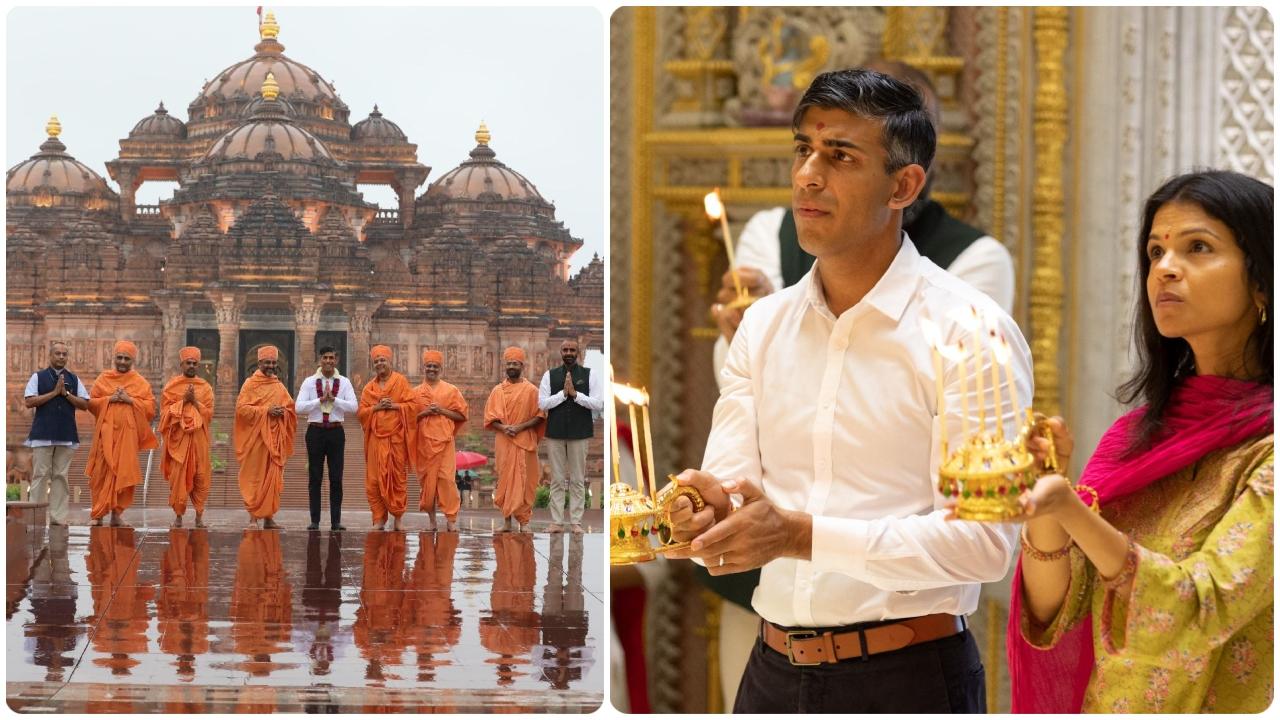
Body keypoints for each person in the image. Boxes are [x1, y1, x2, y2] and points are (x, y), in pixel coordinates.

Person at [666, 69, 1033, 713]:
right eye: (803, 150)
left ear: (903, 184)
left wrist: (800, 536)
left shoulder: (971, 333)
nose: (809, 174)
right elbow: (729, 494)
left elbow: (985, 545)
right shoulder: (763, 325)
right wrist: (702, 515)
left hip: (907, 676)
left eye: (840, 156)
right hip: (771, 674)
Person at [1002, 170, 1273, 713]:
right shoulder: (1135, 437)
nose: (1165, 269)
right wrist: (1046, 502)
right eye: (1155, 252)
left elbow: (1202, 607)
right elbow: (1058, 612)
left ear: (1263, 281)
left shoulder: (1266, 447)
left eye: (1198, 247)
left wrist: (1074, 513)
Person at [86, 341, 158, 528]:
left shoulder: (140, 383)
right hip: (105, 436)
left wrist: (130, 400)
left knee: (124, 474)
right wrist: (109, 399)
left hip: (128, 438)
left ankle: (117, 514)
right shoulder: (103, 379)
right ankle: (98, 513)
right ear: (114, 358)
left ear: (132, 360)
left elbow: (150, 409)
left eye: (126, 358)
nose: (122, 362)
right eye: (119, 358)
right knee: (100, 475)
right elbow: (91, 403)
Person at [538, 339, 604, 533]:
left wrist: (575, 395)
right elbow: (542, 404)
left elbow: (598, 403)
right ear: (560, 352)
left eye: (572, 350)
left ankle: (576, 521)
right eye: (565, 349)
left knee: (577, 478)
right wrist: (562, 395)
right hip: (555, 432)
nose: (568, 353)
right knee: (557, 479)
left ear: (578, 353)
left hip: (580, 432)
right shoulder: (549, 376)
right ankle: (557, 521)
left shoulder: (590, 375)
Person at [23, 341, 90, 526]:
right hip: (42, 433)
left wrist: (66, 394)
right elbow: (29, 402)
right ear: (50, 356)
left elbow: (85, 404)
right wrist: (54, 393)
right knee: (40, 475)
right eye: (58, 353)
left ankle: (58, 517)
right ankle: (35, 518)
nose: (61, 357)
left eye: (64, 354)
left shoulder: (74, 379)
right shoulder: (38, 377)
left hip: (66, 433)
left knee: (61, 476)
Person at [358, 345, 422, 532]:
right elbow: (361, 413)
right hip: (375, 441)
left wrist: (394, 405)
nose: (380, 364)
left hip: (396, 439)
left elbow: (413, 406)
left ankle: (398, 517)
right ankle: (378, 519)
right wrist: (376, 408)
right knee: (374, 481)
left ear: (390, 361)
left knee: (396, 479)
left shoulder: (400, 382)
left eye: (382, 360)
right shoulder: (369, 388)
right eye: (376, 361)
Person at [295, 346, 358, 531]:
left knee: (336, 477)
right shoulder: (309, 382)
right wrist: (319, 400)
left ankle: (335, 521)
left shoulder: (344, 382)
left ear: (336, 360)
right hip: (315, 431)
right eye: (325, 357)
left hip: (336, 431)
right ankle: (315, 520)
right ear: (319, 360)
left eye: (332, 357)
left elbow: (354, 407)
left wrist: (334, 400)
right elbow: (298, 407)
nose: (329, 361)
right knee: (315, 477)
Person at [233, 345, 296, 530]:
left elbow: (290, 408)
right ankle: (253, 518)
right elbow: (241, 410)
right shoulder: (250, 384)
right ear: (259, 363)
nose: (271, 365)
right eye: (267, 362)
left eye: (274, 363)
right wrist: (266, 410)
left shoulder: (279, 386)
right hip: (256, 440)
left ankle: (269, 518)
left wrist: (282, 412)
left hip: (275, 441)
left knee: (273, 480)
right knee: (254, 477)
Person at [484, 347, 546, 533]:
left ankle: (524, 522)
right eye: (509, 363)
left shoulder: (531, 390)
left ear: (522, 366)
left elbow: (540, 415)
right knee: (505, 480)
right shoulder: (497, 391)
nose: (511, 367)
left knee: (526, 480)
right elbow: (490, 418)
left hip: (525, 438)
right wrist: (504, 428)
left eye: (515, 363)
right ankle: (507, 521)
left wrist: (520, 427)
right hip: (504, 440)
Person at [413, 349, 469, 532]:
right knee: (428, 484)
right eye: (429, 366)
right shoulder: (415, 393)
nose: (431, 369)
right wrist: (425, 412)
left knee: (446, 480)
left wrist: (442, 411)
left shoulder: (451, 390)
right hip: (424, 444)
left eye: (435, 366)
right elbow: (408, 420)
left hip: (444, 442)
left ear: (440, 368)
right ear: (424, 368)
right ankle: (431, 520)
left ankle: (451, 519)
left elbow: (461, 415)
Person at [158, 346, 214, 529]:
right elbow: (165, 413)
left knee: (201, 478)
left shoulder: (205, 388)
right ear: (181, 364)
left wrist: (194, 401)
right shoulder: (171, 386)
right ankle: (178, 516)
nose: (191, 365)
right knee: (178, 479)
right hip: (178, 441)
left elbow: (209, 414)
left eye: (194, 363)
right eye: (188, 363)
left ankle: (199, 516)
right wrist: (184, 401)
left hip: (199, 441)